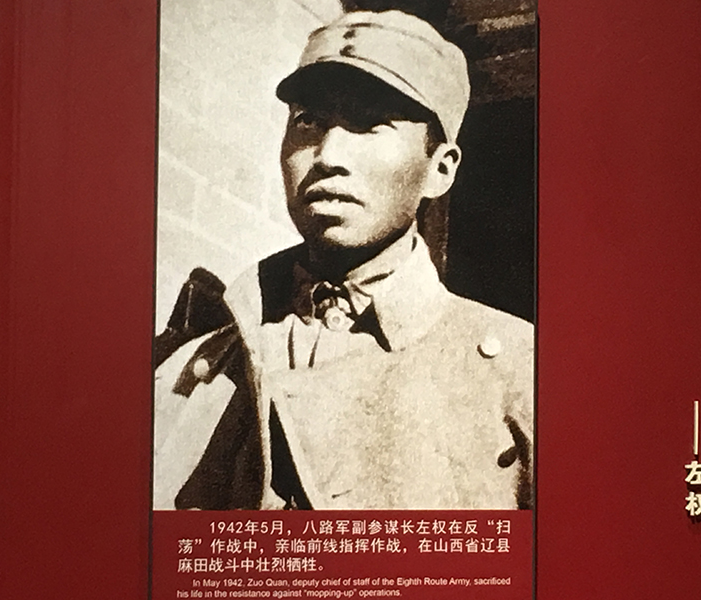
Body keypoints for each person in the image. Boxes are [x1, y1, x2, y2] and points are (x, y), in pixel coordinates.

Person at [152, 9, 534, 511]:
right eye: (307, 122)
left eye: (370, 123)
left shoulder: (521, 373)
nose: (328, 154)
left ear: (439, 169)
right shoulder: (185, 372)